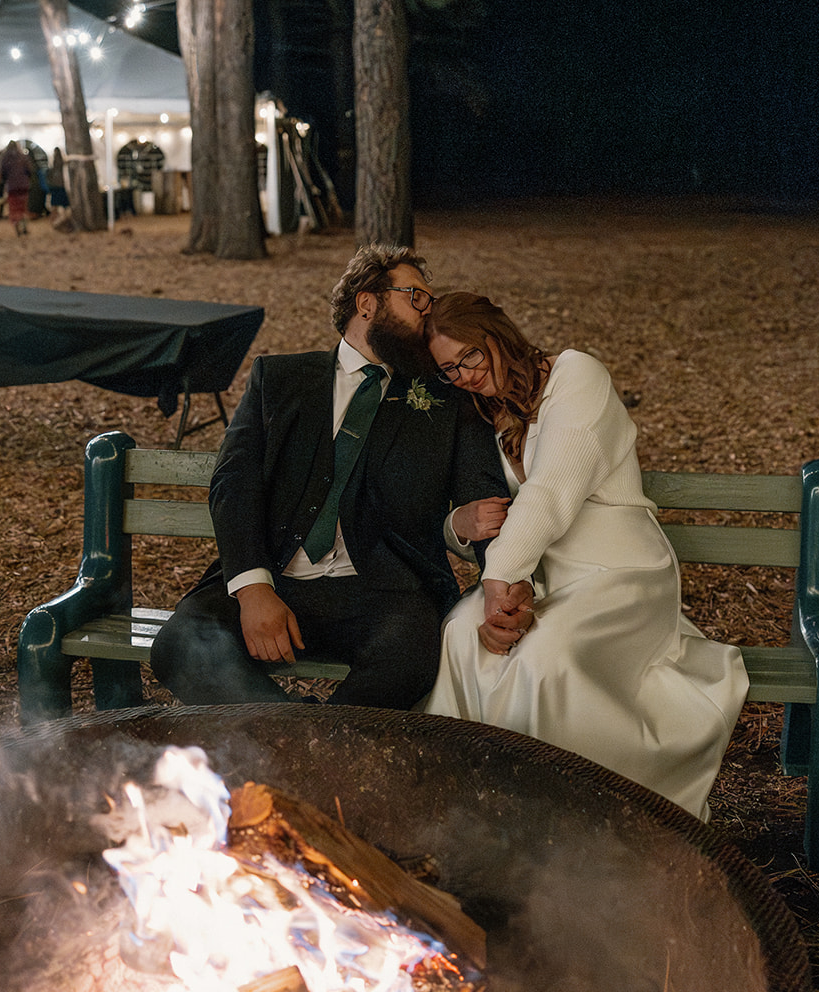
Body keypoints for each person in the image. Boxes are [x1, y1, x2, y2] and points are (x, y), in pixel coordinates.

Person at [151, 247, 533, 709]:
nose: (428, 311)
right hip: (276, 577)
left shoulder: (447, 397)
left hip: (382, 592)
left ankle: (298, 746)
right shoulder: (279, 379)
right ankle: (313, 742)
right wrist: (253, 591)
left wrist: (500, 589)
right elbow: (234, 486)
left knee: (416, 653)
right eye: (416, 297)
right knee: (181, 644)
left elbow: (483, 501)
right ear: (367, 302)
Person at [420, 292, 748, 820]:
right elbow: (465, 506)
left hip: (620, 571)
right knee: (460, 634)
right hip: (542, 577)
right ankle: (472, 811)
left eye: (471, 356)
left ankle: (569, 817)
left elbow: (550, 492)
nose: (464, 374)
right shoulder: (481, 411)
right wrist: (458, 530)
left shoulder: (577, 375)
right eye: (450, 369)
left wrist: (503, 576)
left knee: (545, 657)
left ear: (497, 334)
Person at [0, 141, 34, 236]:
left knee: (14, 208)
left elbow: (3, 173)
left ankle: (17, 226)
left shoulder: (5, 158)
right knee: (23, 207)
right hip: (23, 186)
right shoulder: (23, 157)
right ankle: (24, 225)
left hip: (12, 187)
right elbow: (30, 170)